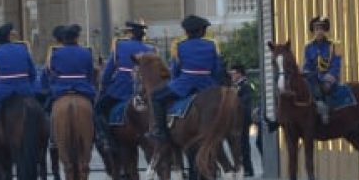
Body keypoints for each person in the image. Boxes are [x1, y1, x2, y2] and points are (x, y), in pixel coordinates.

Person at [150, 15, 226, 140]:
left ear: (187, 31)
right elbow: (217, 69)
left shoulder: (179, 45)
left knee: (156, 97)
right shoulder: (212, 44)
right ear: (201, 31)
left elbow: (175, 70)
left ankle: (161, 131)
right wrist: (214, 84)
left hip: (184, 84)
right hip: (208, 85)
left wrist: (175, 82)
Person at [95, 20, 155, 149]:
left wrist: (104, 86)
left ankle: (105, 138)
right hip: (144, 90)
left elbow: (109, 70)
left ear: (130, 33)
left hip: (121, 88)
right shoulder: (151, 49)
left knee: (98, 109)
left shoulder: (120, 46)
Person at [0, 23, 40, 140]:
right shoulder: (23, 49)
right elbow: (32, 73)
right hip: (25, 89)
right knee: (42, 109)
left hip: (3, 90)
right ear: (9, 36)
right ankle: (48, 137)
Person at [302, 17, 342, 124]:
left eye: (321, 28)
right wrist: (305, 73)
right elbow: (307, 65)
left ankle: (325, 111)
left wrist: (329, 79)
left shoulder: (334, 46)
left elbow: (336, 64)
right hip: (313, 79)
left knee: (325, 88)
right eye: (316, 28)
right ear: (313, 31)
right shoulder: (308, 47)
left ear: (325, 30)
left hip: (329, 78)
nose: (319, 31)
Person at [46, 24, 97, 103]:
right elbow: (90, 74)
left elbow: (52, 73)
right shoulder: (86, 52)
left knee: (48, 105)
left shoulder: (56, 53)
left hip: (61, 87)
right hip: (83, 87)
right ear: (77, 38)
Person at [229, 63, 257, 179]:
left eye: (234, 74)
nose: (232, 76)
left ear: (239, 74)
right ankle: (239, 166)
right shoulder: (234, 86)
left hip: (243, 118)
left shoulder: (246, 85)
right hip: (235, 118)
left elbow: (246, 100)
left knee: (244, 143)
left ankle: (248, 168)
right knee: (237, 143)